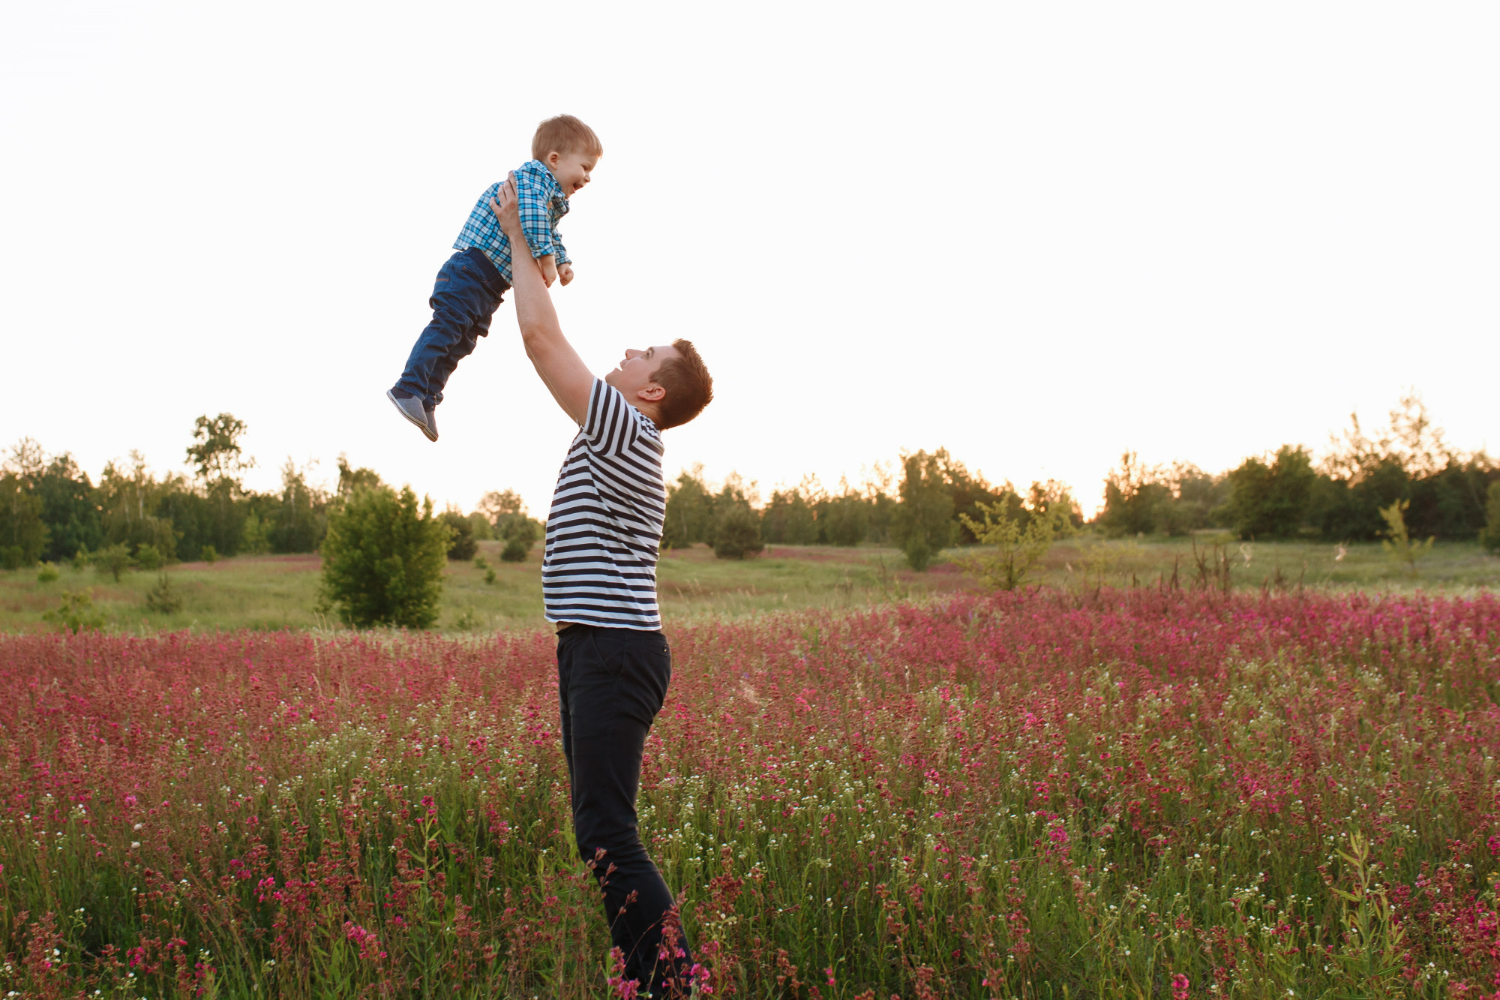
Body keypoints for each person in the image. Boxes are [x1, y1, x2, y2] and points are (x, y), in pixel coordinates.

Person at [491, 172, 714, 997]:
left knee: (608, 831)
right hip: (599, 646)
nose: (627, 352)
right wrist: (540, 258)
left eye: (643, 355)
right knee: (598, 833)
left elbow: (544, 345)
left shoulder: (628, 430)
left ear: (651, 391)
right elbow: (551, 335)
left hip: (615, 653)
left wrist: (517, 234)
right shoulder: (619, 433)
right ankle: (650, 976)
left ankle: (676, 983)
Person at [387, 115, 602, 442]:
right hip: (471, 271)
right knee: (448, 326)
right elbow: (530, 220)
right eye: (585, 167)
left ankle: (427, 397)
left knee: (463, 341)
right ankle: (409, 387)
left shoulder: (551, 200)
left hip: (489, 285)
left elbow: (549, 232)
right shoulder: (533, 179)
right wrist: (545, 261)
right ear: (555, 159)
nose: (588, 178)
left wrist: (562, 262)